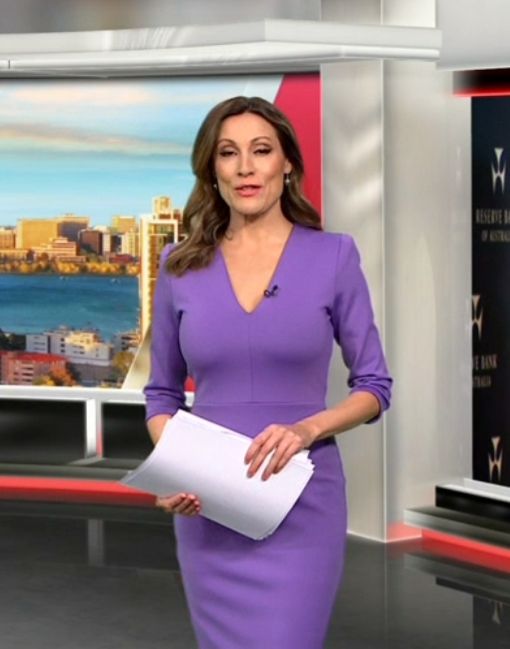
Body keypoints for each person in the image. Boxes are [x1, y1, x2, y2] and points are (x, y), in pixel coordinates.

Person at [144, 95, 392, 649]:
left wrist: (307, 429)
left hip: (302, 501)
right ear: (212, 169)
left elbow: (375, 386)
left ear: (287, 164)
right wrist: (177, 470)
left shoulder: (334, 256)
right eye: (228, 153)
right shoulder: (179, 266)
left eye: (261, 150)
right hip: (209, 505)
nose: (245, 167)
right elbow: (161, 395)